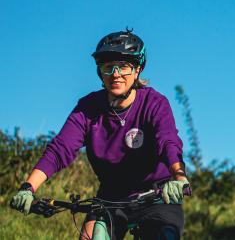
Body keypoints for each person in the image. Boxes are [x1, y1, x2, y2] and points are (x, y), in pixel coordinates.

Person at [10, 30, 188, 239]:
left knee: (165, 236)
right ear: (99, 72)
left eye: (123, 66)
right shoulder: (88, 108)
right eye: (107, 67)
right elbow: (60, 149)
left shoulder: (154, 103)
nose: (115, 74)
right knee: (91, 237)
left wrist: (179, 177)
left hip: (156, 196)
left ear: (137, 69)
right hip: (112, 198)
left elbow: (168, 141)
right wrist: (28, 187)